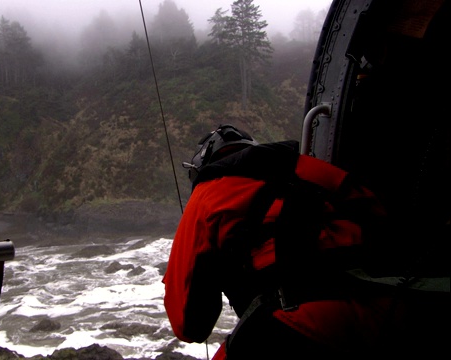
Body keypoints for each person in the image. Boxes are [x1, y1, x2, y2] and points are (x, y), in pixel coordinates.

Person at [161, 124, 447, 359]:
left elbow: (187, 324)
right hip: (388, 305)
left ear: (202, 169)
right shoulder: (312, 168)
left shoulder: (206, 196)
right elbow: (380, 218)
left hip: (296, 321)